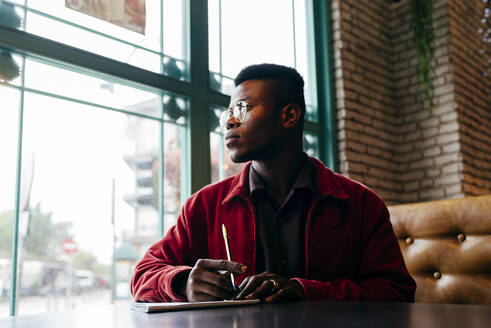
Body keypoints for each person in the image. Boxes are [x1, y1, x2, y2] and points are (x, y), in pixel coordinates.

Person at [131, 63, 416, 303]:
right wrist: (182, 283)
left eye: (243, 108)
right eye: (228, 112)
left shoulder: (361, 204)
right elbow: (143, 275)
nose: (230, 121)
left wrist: (305, 291)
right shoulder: (204, 205)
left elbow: (397, 293)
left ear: (290, 115)